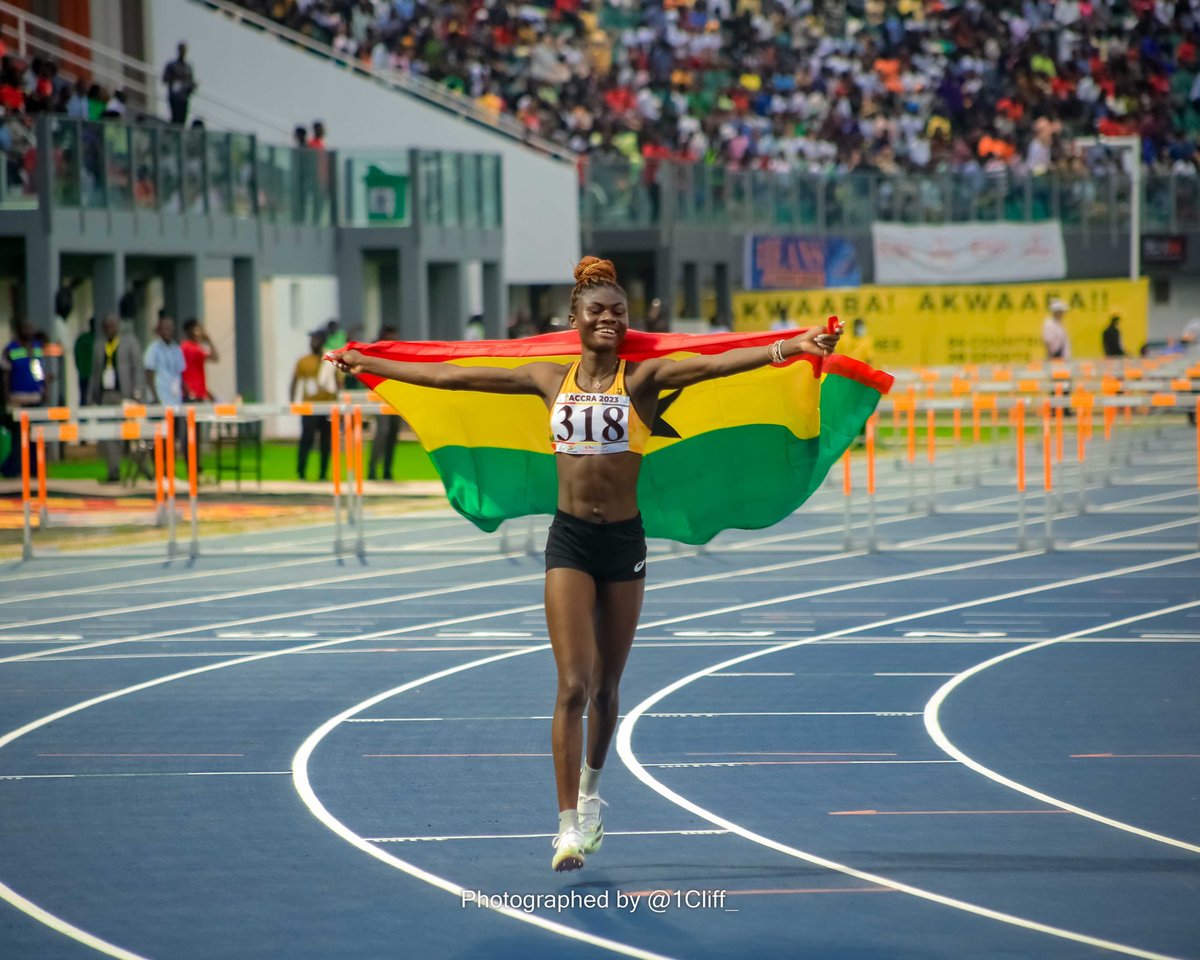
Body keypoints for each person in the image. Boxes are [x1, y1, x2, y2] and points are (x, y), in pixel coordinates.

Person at [331, 257, 842, 873]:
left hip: (624, 544)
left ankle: (593, 794)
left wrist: (793, 346)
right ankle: (566, 826)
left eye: (618, 312)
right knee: (572, 685)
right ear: (572, 319)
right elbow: (454, 378)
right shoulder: (549, 378)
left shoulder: (646, 377)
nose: (608, 319)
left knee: (606, 688)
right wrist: (368, 363)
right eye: (597, 311)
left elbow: (714, 363)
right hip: (569, 541)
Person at [88, 313, 145, 482]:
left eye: (112, 325)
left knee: (135, 434)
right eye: (107, 326)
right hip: (107, 394)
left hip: (125, 395)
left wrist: (138, 393)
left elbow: (138, 369)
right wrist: (91, 396)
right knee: (108, 434)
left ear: (118, 326)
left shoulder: (129, 343)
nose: (110, 328)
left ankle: (143, 469)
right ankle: (114, 471)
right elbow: (95, 373)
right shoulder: (99, 346)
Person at [291, 329, 339, 480]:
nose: (313, 342)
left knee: (326, 441)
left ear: (323, 341)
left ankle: (323, 473)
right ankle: (301, 472)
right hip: (309, 406)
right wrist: (292, 403)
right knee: (306, 439)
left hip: (327, 406)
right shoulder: (303, 361)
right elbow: (294, 381)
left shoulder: (329, 361)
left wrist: (339, 405)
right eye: (312, 339)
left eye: (316, 339)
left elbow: (337, 383)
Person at [369, 324, 401, 481]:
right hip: (380, 398)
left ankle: (387, 470)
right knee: (382, 433)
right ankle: (372, 469)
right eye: (391, 335)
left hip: (396, 399)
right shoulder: (376, 353)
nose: (394, 338)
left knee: (393, 435)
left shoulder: (398, 354)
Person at [144, 314, 186, 407]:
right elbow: (148, 375)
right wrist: (154, 397)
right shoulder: (153, 349)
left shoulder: (177, 349)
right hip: (160, 399)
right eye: (165, 329)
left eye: (170, 329)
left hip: (176, 399)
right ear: (159, 330)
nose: (167, 331)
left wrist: (187, 393)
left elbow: (181, 374)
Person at [181, 318, 219, 401]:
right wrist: (208, 340)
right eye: (196, 330)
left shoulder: (194, 347)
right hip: (191, 393)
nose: (198, 333)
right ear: (188, 331)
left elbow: (215, 358)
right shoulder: (188, 347)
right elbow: (215, 357)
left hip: (199, 392)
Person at [163, 42, 196, 126]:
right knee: (175, 119)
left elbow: (191, 81)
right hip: (174, 96)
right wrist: (176, 79)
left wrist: (192, 87)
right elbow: (165, 79)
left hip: (184, 97)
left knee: (182, 120)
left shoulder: (188, 67)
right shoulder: (171, 65)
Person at [75, 315, 96, 404]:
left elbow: (76, 356)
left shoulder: (81, 339)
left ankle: (83, 417)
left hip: (83, 373)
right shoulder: (97, 340)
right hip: (93, 374)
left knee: (84, 398)